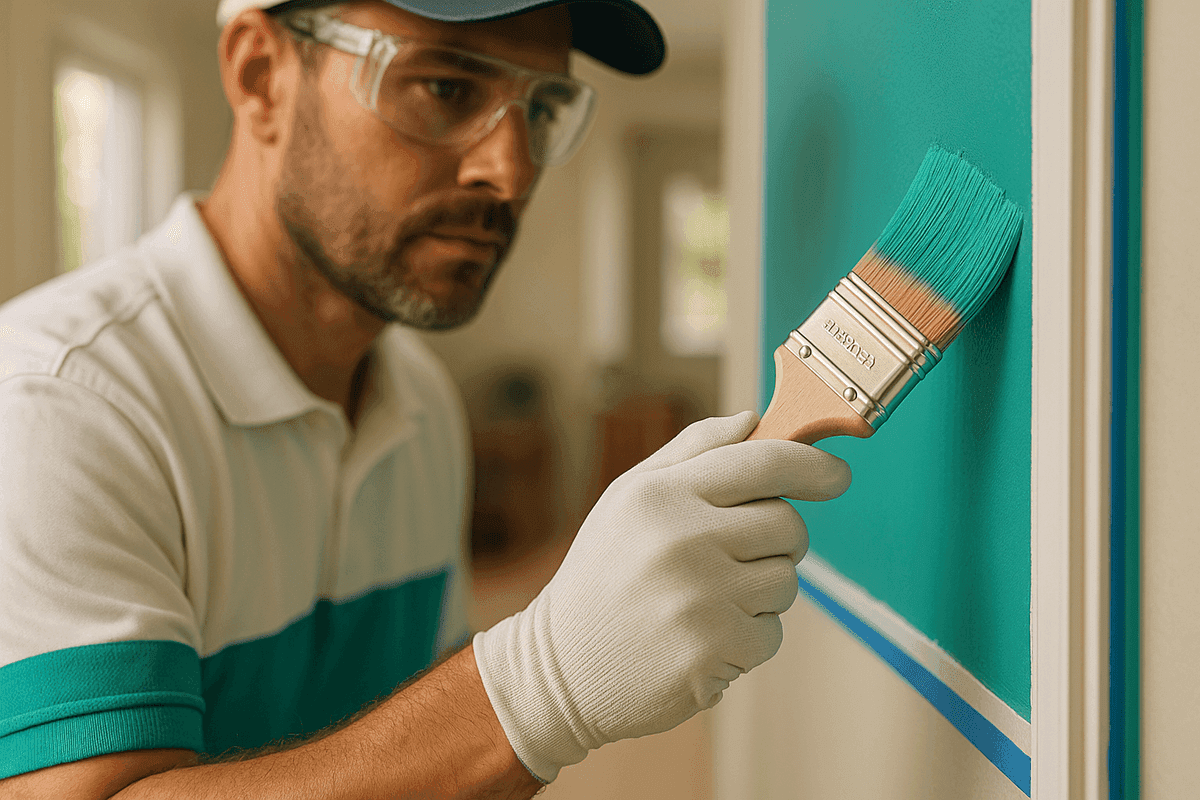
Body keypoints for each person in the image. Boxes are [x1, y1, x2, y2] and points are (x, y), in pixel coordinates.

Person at [0, 0, 852, 796]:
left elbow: (437, 756)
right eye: (446, 87)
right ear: (261, 76)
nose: (510, 170)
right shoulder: (61, 405)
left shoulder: (419, 403)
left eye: (542, 107)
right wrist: (541, 683)